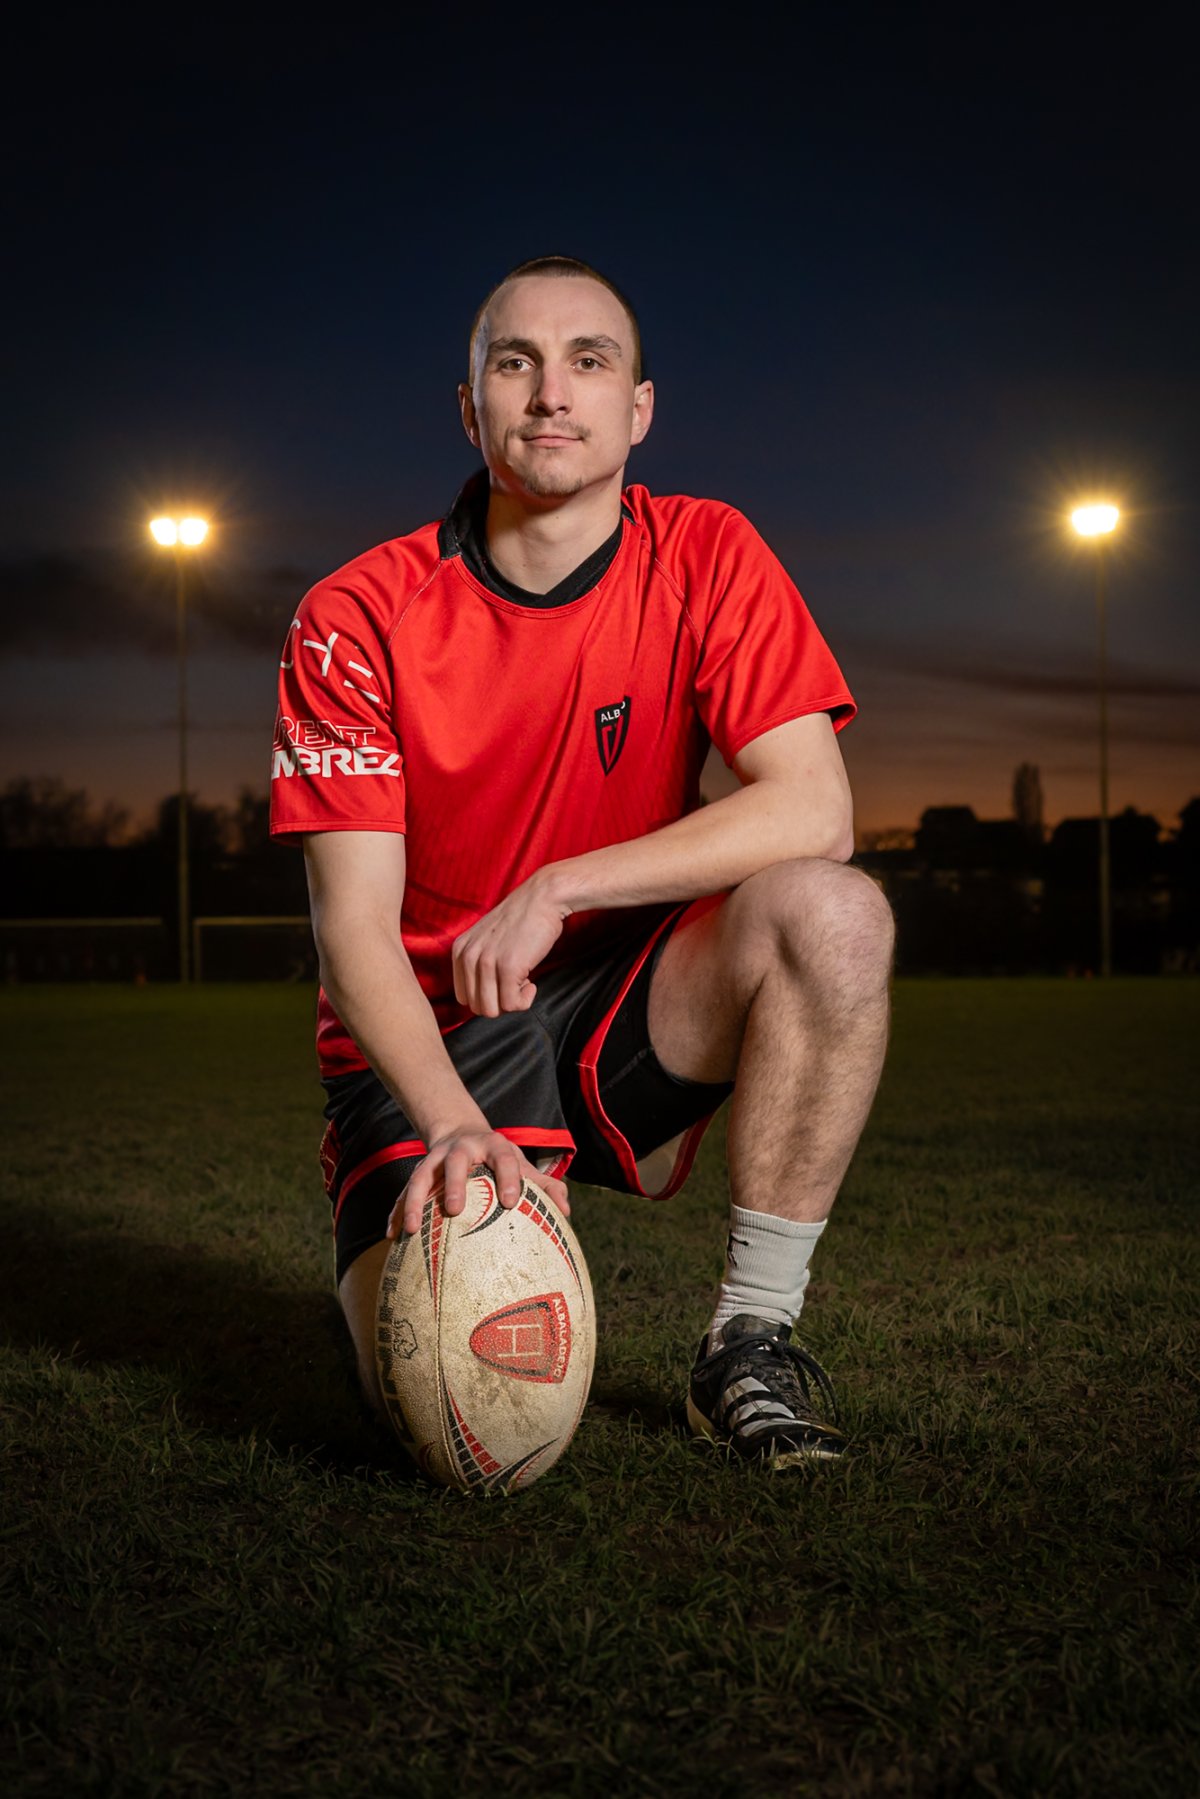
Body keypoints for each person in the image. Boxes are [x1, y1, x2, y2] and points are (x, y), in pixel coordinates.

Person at [270, 255, 894, 1466]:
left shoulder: (707, 551)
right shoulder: (356, 614)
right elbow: (352, 935)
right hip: (441, 1027)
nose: (551, 392)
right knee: (459, 1421)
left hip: (628, 1001)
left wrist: (563, 885)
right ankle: (425, 1208)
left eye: (588, 362)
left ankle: (750, 1341)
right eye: (515, 362)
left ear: (638, 410)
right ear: (471, 407)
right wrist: (459, 1127)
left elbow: (816, 809)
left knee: (837, 914)